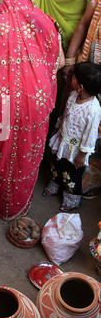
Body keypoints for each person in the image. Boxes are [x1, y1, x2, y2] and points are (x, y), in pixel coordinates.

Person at [0, 0, 65, 221]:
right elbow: (60, 62)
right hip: (35, 100)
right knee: (27, 151)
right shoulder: (46, 23)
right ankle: (18, 204)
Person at [43, 62, 101, 212]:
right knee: (57, 166)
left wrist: (82, 155)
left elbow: (90, 135)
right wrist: (56, 128)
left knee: (71, 176)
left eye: (73, 77)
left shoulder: (93, 110)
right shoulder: (73, 95)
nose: (70, 78)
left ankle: (72, 200)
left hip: (75, 152)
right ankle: (55, 184)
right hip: (62, 142)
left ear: (81, 86)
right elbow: (65, 115)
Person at [62, 0, 101, 199]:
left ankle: (85, 185)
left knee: (94, 130)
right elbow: (84, 24)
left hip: (92, 79)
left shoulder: (93, 108)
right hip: (89, 67)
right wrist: (70, 60)